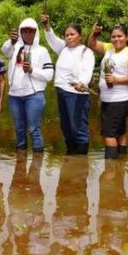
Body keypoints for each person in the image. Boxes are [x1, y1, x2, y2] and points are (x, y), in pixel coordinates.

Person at [87, 23, 128, 159]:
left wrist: (117, 80)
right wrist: (94, 33)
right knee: (119, 131)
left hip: (120, 99)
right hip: (108, 99)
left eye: (120, 36)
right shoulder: (109, 49)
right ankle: (121, 164)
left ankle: (110, 168)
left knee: (109, 134)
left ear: (126, 38)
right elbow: (92, 44)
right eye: (113, 36)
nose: (116, 39)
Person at [41, 15, 95, 155]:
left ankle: (81, 160)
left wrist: (82, 83)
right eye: (66, 35)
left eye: (72, 34)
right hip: (62, 91)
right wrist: (46, 25)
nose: (69, 37)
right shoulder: (63, 48)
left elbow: (87, 70)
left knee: (78, 127)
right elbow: (51, 39)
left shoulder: (86, 51)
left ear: (80, 36)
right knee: (66, 126)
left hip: (77, 93)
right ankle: (71, 156)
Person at [1, 18, 54, 152]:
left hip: (34, 95)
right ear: (20, 32)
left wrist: (32, 70)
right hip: (14, 95)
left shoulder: (42, 51)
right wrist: (11, 41)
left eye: (31, 31)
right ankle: (21, 164)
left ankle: (37, 165)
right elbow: (5, 50)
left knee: (33, 129)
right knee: (19, 130)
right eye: (24, 31)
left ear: (36, 33)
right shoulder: (15, 47)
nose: (28, 34)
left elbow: (49, 75)